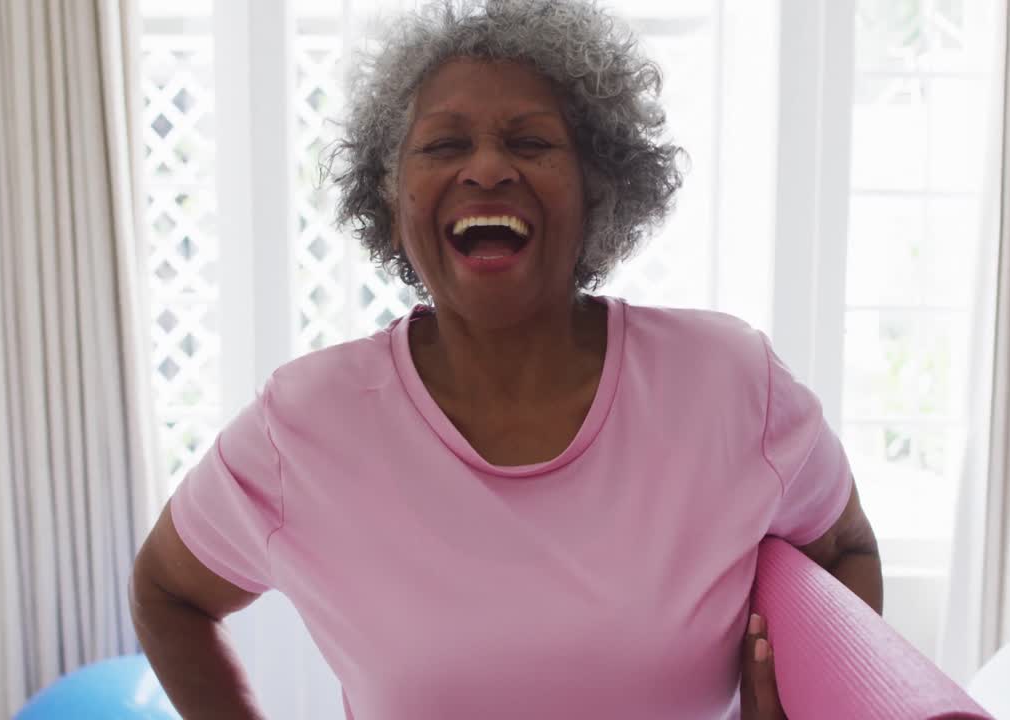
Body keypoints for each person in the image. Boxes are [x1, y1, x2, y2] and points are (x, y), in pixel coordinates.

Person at [129, 1, 882, 718]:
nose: (487, 169)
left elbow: (844, 547)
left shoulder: (730, 383)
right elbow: (167, 590)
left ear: (597, 190)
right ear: (393, 202)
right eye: (444, 144)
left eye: (531, 142)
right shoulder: (302, 423)